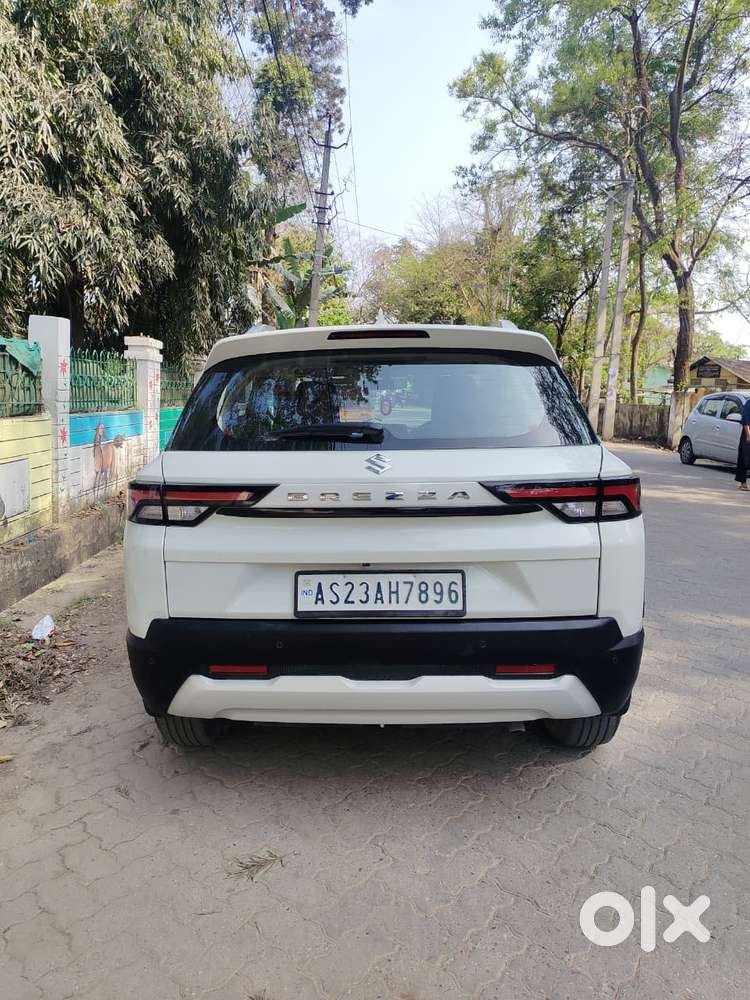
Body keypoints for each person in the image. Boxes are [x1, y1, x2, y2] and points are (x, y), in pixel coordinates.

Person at [735, 396, 750, 491]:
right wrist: (748, 435)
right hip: (748, 433)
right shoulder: (749, 403)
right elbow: (746, 420)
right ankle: (743, 483)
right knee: (745, 459)